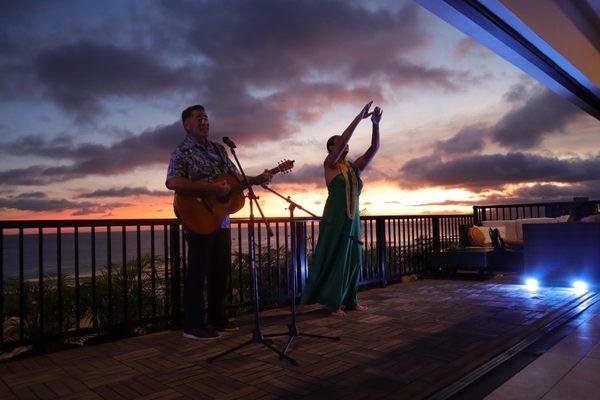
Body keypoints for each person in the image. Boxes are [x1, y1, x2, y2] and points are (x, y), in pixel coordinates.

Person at [166, 105, 272, 340]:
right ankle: (193, 325)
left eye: (206, 118)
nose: (204, 122)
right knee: (198, 271)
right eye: (198, 118)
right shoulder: (182, 151)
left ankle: (216, 318)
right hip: (197, 217)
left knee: (220, 271)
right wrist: (211, 188)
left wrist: (257, 179)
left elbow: (235, 180)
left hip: (221, 218)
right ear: (187, 124)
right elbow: (173, 182)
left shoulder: (219, 149)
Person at [300, 101, 383, 317]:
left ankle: (350, 300)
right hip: (335, 217)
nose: (346, 145)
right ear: (331, 148)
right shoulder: (330, 164)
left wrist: (374, 124)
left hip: (353, 218)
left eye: (345, 144)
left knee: (353, 257)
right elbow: (342, 142)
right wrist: (358, 117)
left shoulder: (353, 168)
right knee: (336, 255)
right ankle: (332, 302)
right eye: (340, 143)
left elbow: (374, 149)